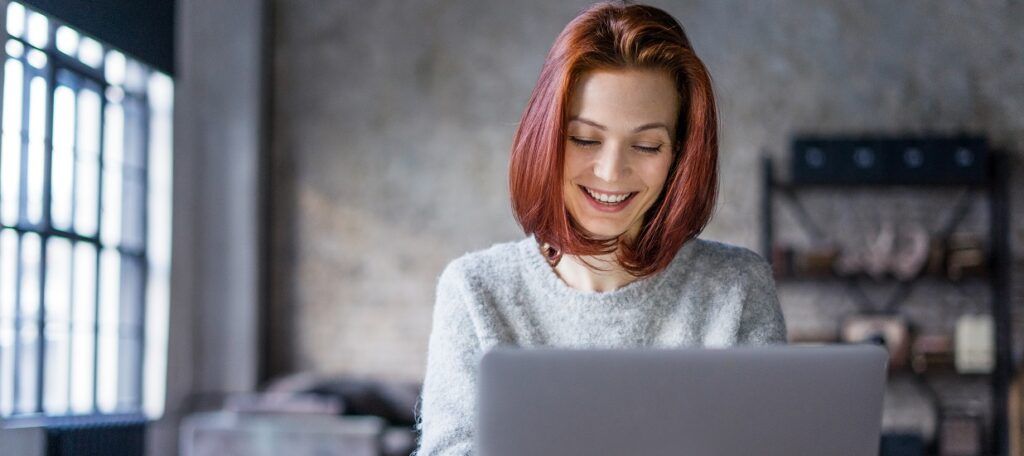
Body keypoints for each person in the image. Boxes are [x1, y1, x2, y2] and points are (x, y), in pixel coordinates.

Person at [413, 2, 787, 454]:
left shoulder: (737, 289)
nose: (611, 172)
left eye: (647, 145)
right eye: (585, 139)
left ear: (680, 157)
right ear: (546, 138)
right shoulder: (476, 292)